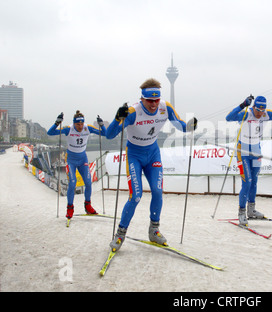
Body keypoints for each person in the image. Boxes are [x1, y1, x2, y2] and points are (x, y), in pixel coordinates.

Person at [106, 78, 197, 250]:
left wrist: (190, 126)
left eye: (156, 100)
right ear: (142, 99)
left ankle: (154, 231)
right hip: (134, 155)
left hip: (153, 153)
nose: (154, 105)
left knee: (157, 191)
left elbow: (181, 126)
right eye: (149, 101)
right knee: (136, 196)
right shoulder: (133, 111)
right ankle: (120, 235)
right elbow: (110, 135)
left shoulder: (165, 107)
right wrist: (118, 118)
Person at [226, 95, 272, 226]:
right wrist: (243, 104)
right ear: (254, 107)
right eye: (258, 110)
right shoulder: (246, 114)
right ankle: (242, 213)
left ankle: (251, 210)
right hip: (243, 152)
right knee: (247, 183)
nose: (260, 113)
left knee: (254, 182)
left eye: (263, 110)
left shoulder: (268, 114)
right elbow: (229, 118)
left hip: (256, 152)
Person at [47, 111, 107, 219]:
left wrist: (101, 125)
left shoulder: (87, 128)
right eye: (77, 124)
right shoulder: (68, 129)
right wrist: (57, 122)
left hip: (83, 158)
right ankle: (70, 208)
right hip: (71, 159)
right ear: (74, 123)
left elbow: (105, 134)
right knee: (72, 183)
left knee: (88, 183)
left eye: (81, 124)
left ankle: (88, 206)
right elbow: (50, 133)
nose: (80, 127)